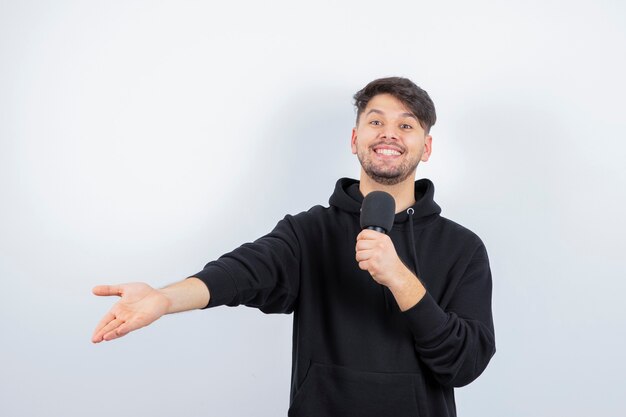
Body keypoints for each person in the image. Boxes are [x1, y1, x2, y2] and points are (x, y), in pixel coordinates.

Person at [92, 77, 496, 416]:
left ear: (426, 147)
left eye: (406, 125)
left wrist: (400, 279)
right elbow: (238, 273)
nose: (389, 133)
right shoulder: (310, 232)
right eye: (376, 121)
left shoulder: (463, 248)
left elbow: (464, 364)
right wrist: (164, 298)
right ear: (356, 139)